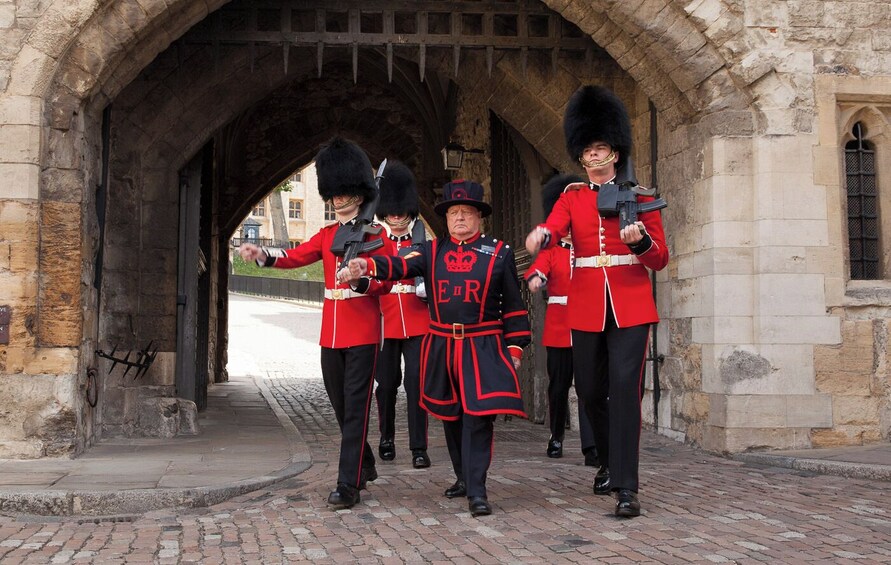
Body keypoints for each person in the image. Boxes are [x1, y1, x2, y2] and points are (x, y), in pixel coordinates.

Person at [339, 179, 531, 518]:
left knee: (478, 418)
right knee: (452, 416)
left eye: (466, 212)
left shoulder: (498, 252)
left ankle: (478, 489)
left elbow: (514, 307)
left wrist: (514, 350)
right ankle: (462, 477)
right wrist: (366, 266)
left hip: (482, 345)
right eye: (454, 212)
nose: (459, 218)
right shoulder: (431, 251)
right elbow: (399, 265)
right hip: (442, 345)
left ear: (478, 217)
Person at [525, 86, 669, 518]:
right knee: (588, 391)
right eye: (586, 150)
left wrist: (640, 240)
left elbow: (659, 258)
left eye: (600, 148)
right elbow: (555, 224)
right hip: (587, 303)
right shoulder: (573, 196)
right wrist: (542, 236)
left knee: (625, 392)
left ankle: (627, 485)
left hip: (630, 303)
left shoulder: (641, 197)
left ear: (615, 152)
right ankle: (607, 458)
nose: (592, 156)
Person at [239, 137, 392, 510]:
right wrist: (263, 255)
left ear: (358, 191)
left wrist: (361, 276)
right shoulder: (326, 236)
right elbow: (295, 256)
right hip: (332, 334)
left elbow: (387, 279)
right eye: (334, 194)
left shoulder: (377, 235)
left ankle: (347, 484)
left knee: (356, 409)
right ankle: (365, 462)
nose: (338, 200)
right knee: (340, 406)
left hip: (364, 333)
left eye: (344, 192)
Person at [525, 173, 599, 467]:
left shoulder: (590, 246)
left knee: (588, 386)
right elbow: (539, 267)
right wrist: (536, 278)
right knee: (558, 386)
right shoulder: (553, 249)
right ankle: (556, 435)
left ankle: (591, 444)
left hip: (587, 322)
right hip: (558, 327)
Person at [373, 160, 431, 469]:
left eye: (401, 213)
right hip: (384, 321)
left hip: (418, 320)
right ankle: (386, 438)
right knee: (386, 385)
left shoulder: (422, 242)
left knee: (417, 385)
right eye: (392, 213)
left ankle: (419, 447)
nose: (396, 218)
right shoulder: (374, 241)